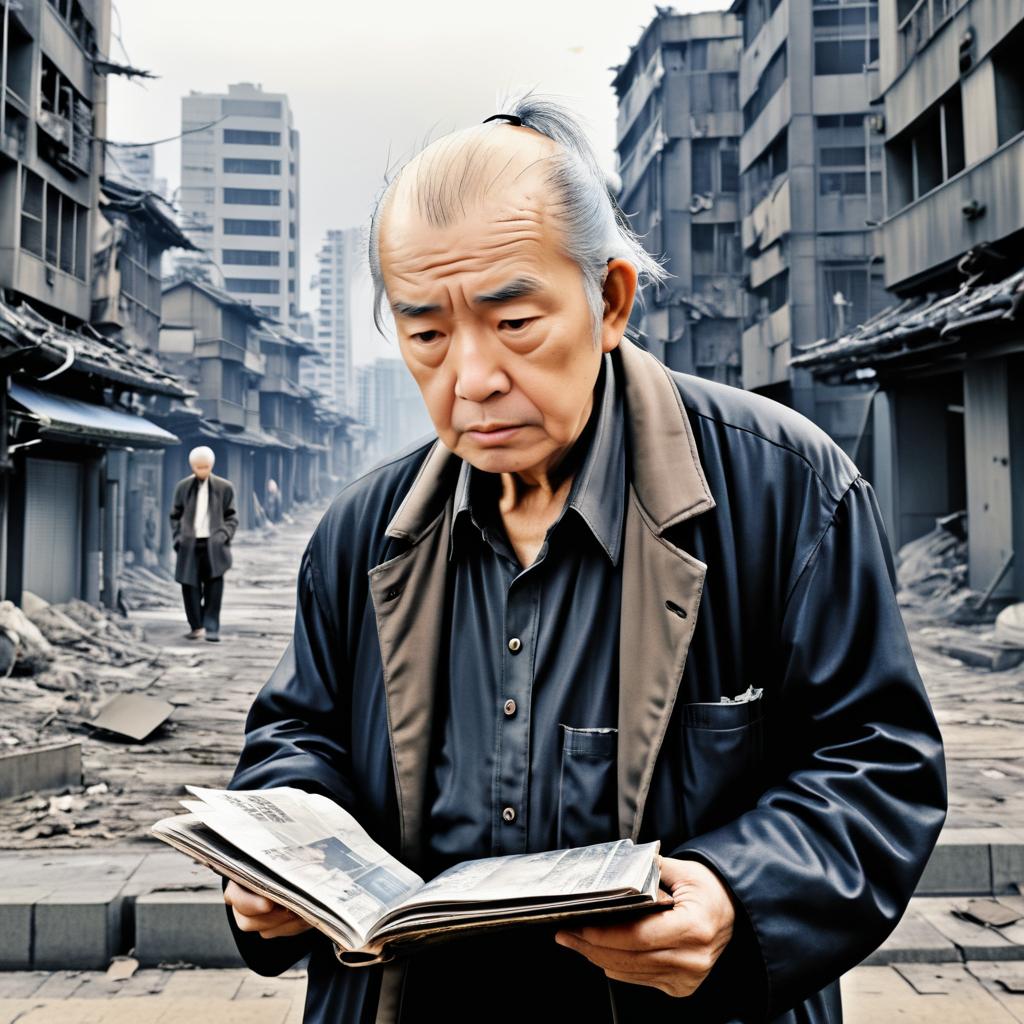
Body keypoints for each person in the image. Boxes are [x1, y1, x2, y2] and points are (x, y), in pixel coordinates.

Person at [221, 95, 947, 1023]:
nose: (472, 379)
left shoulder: (785, 489)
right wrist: (278, 856)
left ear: (609, 300)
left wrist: (738, 894)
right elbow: (300, 734)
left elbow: (877, 762)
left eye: (514, 323)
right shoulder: (364, 532)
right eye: (427, 335)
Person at [169, 446, 238, 643]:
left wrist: (223, 535)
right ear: (192, 466)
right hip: (189, 544)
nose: (202, 471)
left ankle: (212, 628)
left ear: (211, 465)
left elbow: (232, 517)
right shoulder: (183, 487)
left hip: (214, 545)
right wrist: (178, 537)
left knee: (214, 587)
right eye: (198, 467)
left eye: (205, 466)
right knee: (189, 586)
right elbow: (175, 516)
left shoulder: (225, 488)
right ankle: (196, 626)